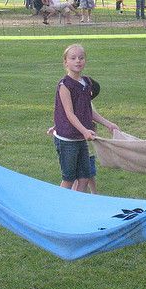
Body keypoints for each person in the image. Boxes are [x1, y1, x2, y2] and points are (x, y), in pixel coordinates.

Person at [52, 44, 119, 191]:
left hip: (81, 137)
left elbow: (88, 110)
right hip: (67, 139)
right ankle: (58, 207)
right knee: (69, 178)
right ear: (65, 62)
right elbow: (70, 114)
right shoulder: (65, 85)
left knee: (84, 176)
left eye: (81, 58)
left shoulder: (87, 82)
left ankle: (76, 207)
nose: (78, 61)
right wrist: (85, 131)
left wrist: (108, 124)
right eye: (73, 58)